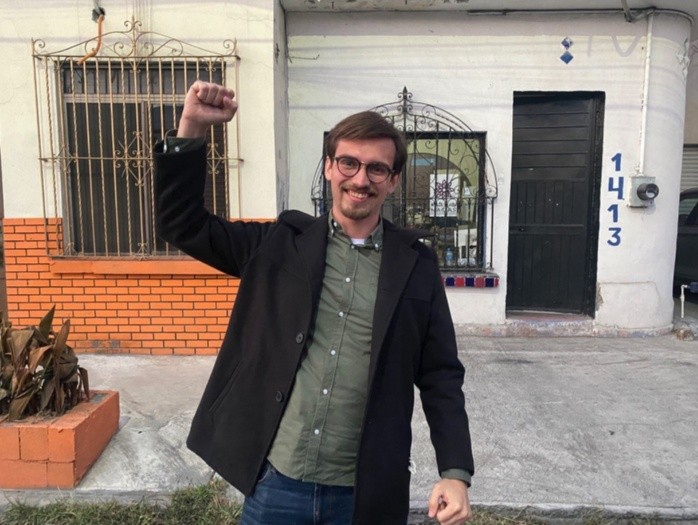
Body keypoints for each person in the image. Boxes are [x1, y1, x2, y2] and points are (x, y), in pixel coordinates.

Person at [154, 81, 474, 525]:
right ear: (328, 167)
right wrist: (190, 128)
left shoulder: (416, 264)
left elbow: (440, 372)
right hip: (277, 483)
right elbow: (183, 224)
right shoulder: (279, 243)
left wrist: (455, 472)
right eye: (349, 162)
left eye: (376, 169)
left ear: (393, 180)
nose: (360, 179)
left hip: (366, 490)